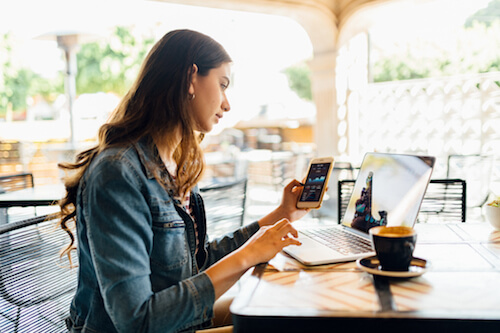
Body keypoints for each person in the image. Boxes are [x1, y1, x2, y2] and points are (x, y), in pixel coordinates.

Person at [58, 29, 310, 333]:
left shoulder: (175, 165)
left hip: (175, 324)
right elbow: (136, 320)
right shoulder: (118, 173)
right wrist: (248, 256)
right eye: (222, 84)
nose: (227, 104)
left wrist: (281, 215)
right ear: (191, 78)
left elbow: (196, 262)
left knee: (288, 310)